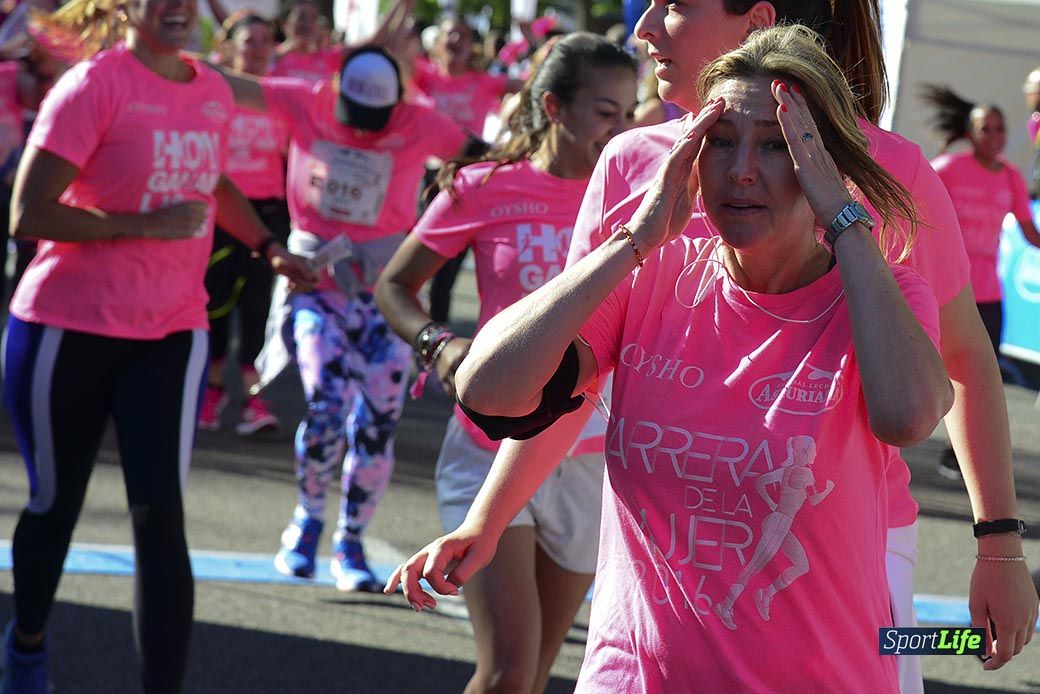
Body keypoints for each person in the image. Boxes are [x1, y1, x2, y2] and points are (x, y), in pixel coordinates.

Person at [396, 1, 1040, 689]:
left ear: (757, 18)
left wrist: (997, 545)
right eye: (723, 142)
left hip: (849, 543)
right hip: (658, 558)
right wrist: (488, 519)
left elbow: (956, 365)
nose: (643, 29)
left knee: (887, 651)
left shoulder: (884, 172)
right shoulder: (636, 170)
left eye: (671, 6)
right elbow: (562, 382)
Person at [0, 0, 316, 690]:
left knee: (160, 516)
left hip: (171, 329)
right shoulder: (92, 86)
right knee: (56, 501)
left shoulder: (207, 86)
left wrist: (267, 247)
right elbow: (27, 214)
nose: (176, 7)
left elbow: (212, 184)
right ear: (126, 7)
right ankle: (25, 646)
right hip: (65, 327)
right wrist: (140, 223)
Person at [376, 33, 638, 692]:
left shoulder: (641, 193)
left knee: (536, 675)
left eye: (630, 113)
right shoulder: (485, 186)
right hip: (489, 445)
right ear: (554, 107)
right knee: (508, 673)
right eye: (606, 113)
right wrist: (441, 344)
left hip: (589, 454)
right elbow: (394, 287)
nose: (623, 129)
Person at [214, 43, 473, 591]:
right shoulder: (304, 100)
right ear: (336, 92)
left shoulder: (421, 121)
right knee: (327, 401)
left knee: (377, 423)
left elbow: (485, 156)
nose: (365, 132)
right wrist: (167, 63)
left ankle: (352, 538)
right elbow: (227, 85)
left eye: (377, 121)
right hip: (315, 286)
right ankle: (307, 521)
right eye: (356, 118)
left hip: (386, 298)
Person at [921, 85, 1040, 480]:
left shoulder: (1010, 178)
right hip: (943, 288)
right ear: (971, 135)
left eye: (999, 129)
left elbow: (1029, 232)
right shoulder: (947, 169)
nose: (994, 136)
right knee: (927, 370)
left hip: (987, 294)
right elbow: (912, 206)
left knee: (975, 379)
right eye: (985, 129)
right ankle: (889, 439)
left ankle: (957, 455)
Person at [199, 12, 291, 434]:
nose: (257, 49)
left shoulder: (283, 97)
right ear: (229, 47)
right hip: (218, 212)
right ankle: (213, 392)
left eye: (264, 41)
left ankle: (254, 398)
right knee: (214, 303)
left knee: (257, 306)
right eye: (248, 41)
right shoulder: (212, 93)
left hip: (268, 215)